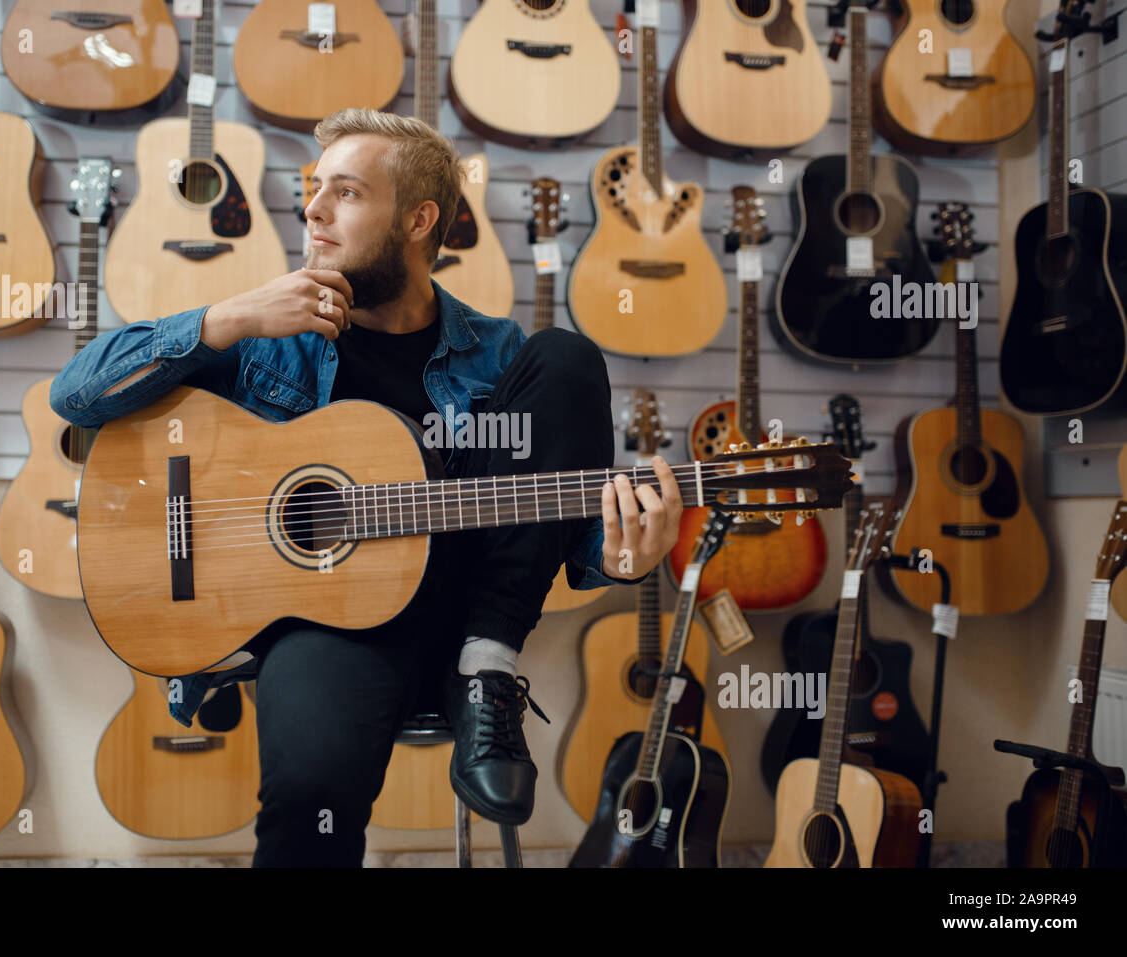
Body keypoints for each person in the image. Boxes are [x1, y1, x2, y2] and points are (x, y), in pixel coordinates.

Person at [50, 108, 685, 865]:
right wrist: (226, 318)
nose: (312, 210)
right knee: (308, 791)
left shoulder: (501, 357)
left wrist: (630, 554)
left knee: (568, 354)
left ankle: (487, 670)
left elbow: (570, 536)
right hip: (328, 620)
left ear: (419, 219)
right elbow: (77, 395)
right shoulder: (269, 336)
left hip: (472, 614)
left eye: (344, 193)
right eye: (314, 190)